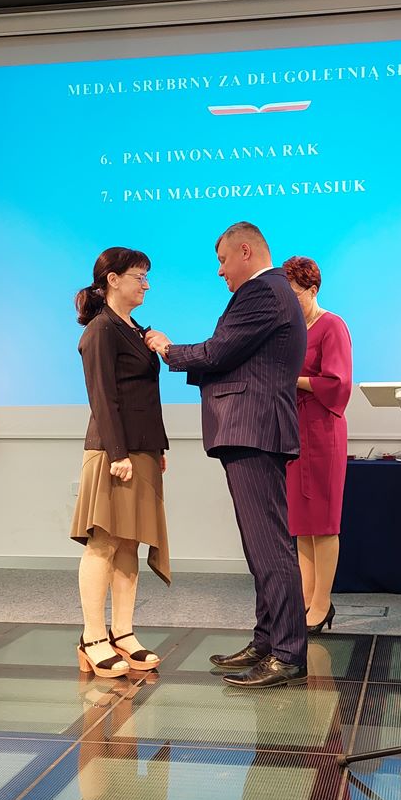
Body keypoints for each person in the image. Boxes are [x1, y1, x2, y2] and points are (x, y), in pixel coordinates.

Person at [145, 222, 308, 688]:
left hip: (254, 429)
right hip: (253, 429)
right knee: (261, 545)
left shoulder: (263, 292)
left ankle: (286, 653)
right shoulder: (272, 292)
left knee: (269, 546)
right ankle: (267, 640)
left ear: (245, 251)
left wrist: (168, 349)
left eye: (222, 260)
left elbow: (218, 352)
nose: (219, 272)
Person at [70, 247, 170, 677]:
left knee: (130, 542)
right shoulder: (101, 330)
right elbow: (102, 398)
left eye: (146, 276)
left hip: (141, 451)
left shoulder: (136, 330)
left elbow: (144, 397)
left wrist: (156, 449)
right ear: (112, 280)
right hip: (114, 452)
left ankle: (123, 632)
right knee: (105, 542)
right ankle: (92, 637)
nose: (146, 284)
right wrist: (118, 454)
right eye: (138, 276)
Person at [283, 256, 352, 634]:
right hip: (294, 430)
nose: (290, 302)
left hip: (322, 430)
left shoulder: (332, 325)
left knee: (323, 524)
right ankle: (307, 599)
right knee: (302, 523)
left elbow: (338, 383)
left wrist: (294, 379)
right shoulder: (292, 328)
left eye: (295, 294)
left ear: (312, 290)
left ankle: (322, 602)